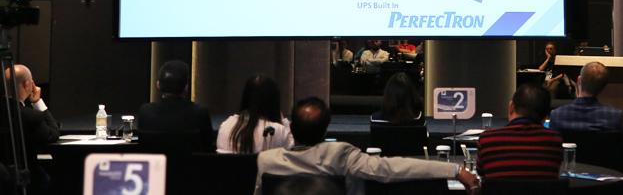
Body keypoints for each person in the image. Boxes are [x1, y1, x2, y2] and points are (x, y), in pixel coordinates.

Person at [253, 96, 478, 195]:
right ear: (325, 129)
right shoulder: (339, 154)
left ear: (291, 128)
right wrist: (454, 170)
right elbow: (394, 168)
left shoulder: (266, 160)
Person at [548, 61, 623, 168]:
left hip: (569, 176)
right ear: (603, 87)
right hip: (606, 176)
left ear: (579, 80)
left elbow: (551, 153)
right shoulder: (615, 117)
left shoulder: (557, 115)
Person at [476, 84, 562, 179]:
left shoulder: (487, 140)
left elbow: (481, 173)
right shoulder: (554, 141)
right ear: (546, 116)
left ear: (511, 107)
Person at [2, 64, 59, 195]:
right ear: (27, 84)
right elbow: (53, 134)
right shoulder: (30, 116)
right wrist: (37, 102)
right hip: (25, 180)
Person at [137, 60, 214, 152]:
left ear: (158, 85)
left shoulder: (145, 112)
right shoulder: (200, 113)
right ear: (186, 87)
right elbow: (208, 149)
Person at [216, 74, 293, 153]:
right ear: (274, 102)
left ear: (245, 97)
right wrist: (283, 121)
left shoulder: (225, 125)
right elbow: (290, 149)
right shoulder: (278, 131)